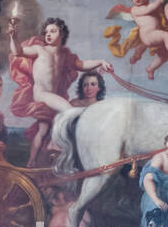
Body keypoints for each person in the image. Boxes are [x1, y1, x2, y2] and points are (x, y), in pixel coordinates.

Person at [9, 17, 114, 166]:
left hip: (54, 97)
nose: (48, 34)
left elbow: (82, 64)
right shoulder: (40, 50)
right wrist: (13, 37)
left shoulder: (65, 55)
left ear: (62, 34)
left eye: (53, 31)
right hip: (42, 95)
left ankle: (31, 162)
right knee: (70, 111)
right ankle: (55, 144)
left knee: (43, 130)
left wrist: (101, 61)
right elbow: (17, 51)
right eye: (46, 32)